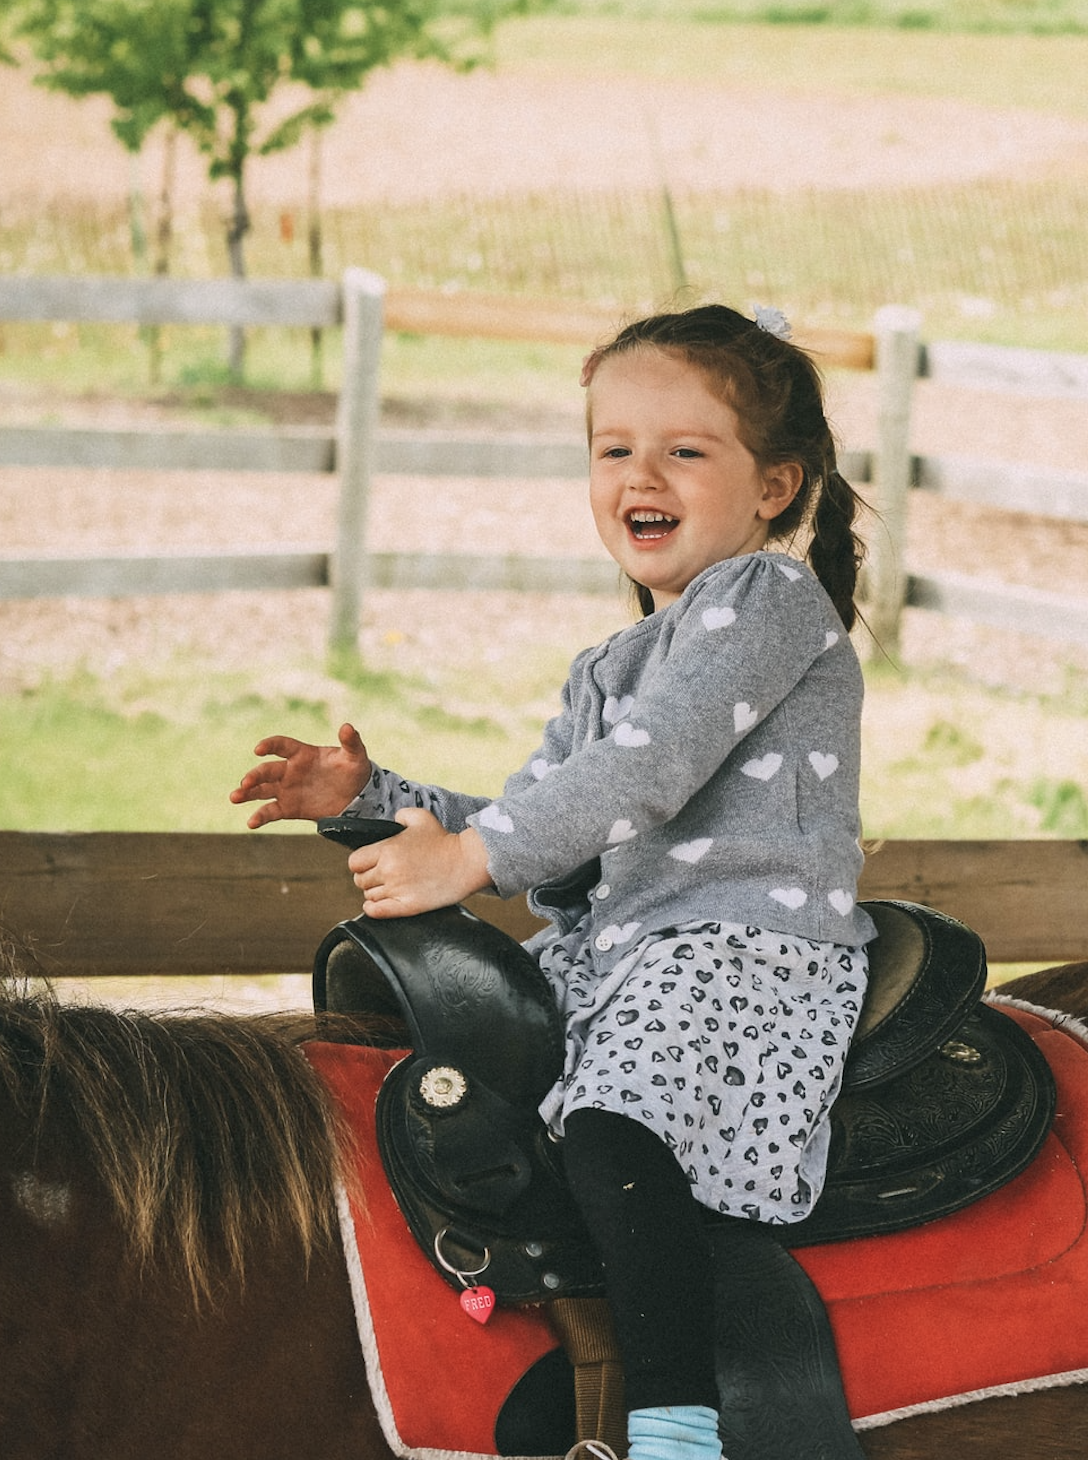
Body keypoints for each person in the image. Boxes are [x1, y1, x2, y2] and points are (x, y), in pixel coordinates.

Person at [231, 303, 877, 1460]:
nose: (643, 472)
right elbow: (555, 829)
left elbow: (653, 768)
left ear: (776, 486)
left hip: (742, 947)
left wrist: (468, 861)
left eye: (686, 449)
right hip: (629, 950)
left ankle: (677, 1424)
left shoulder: (768, 601)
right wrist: (374, 802)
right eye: (614, 447)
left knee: (618, 1128)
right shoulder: (609, 664)